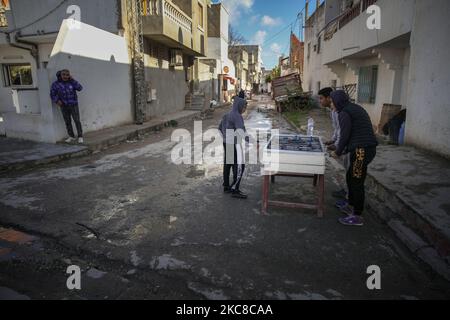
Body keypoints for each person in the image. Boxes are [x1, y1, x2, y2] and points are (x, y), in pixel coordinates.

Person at [330, 90, 378, 227]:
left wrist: (338, 152)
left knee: (356, 181)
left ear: (337, 101)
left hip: (362, 150)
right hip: (362, 148)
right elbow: (351, 134)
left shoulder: (344, 113)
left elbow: (345, 135)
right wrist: (338, 148)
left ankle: (357, 215)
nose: (331, 105)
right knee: (351, 177)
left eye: (332, 102)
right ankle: (350, 205)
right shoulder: (352, 108)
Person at [318, 87, 347, 199]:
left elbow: (343, 131)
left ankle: (349, 197)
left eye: (321, 98)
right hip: (344, 143)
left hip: (353, 145)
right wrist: (333, 140)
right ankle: (346, 191)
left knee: (350, 171)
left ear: (329, 98)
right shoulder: (333, 111)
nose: (320, 101)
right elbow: (336, 128)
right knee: (346, 169)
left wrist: (338, 146)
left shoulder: (340, 112)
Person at [219, 97, 248, 199]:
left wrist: (226, 137)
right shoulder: (237, 116)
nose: (245, 109)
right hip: (234, 144)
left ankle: (226, 186)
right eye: (244, 107)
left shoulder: (226, 115)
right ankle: (235, 189)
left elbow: (219, 128)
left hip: (227, 143)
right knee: (240, 166)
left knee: (228, 164)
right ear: (239, 106)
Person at [50, 69, 84, 144]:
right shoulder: (56, 84)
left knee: (77, 120)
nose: (65, 76)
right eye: (64, 74)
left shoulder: (72, 82)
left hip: (73, 105)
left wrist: (73, 80)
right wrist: (57, 100)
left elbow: (80, 88)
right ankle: (71, 136)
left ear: (69, 75)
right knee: (67, 121)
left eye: (67, 75)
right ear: (60, 75)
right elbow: (52, 94)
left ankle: (80, 136)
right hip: (64, 105)